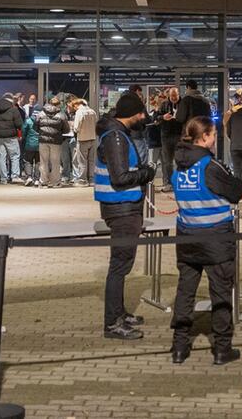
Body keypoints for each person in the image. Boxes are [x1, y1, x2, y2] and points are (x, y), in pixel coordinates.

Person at [170, 116, 242, 365]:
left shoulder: (178, 165)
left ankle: (179, 347)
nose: (215, 139)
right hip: (216, 238)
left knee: (185, 291)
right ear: (204, 138)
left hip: (187, 235)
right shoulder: (210, 166)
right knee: (221, 292)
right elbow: (236, 189)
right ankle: (222, 348)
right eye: (213, 135)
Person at [95, 92, 156, 339]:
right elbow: (119, 178)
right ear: (133, 114)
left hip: (123, 207)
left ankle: (119, 312)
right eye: (142, 113)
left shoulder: (117, 133)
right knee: (119, 266)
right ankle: (113, 323)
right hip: (121, 208)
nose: (144, 118)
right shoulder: (116, 136)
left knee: (122, 264)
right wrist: (147, 174)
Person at [35, 97, 68, 188]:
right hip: (56, 141)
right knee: (55, 162)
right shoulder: (61, 115)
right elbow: (66, 130)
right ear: (58, 105)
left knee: (43, 162)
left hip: (43, 141)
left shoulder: (41, 113)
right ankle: (55, 182)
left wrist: (42, 132)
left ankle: (44, 181)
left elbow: (35, 127)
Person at [0, 92, 23, 184]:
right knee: (14, 156)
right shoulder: (13, 110)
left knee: (1, 157)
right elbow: (19, 124)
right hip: (11, 136)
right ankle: (15, 176)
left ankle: (3, 178)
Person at [156, 88, 181, 192]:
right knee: (167, 162)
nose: (174, 98)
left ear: (178, 94)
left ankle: (180, 183)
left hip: (180, 135)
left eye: (175, 96)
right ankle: (168, 183)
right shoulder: (164, 104)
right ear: (169, 96)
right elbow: (156, 117)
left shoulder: (183, 104)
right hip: (166, 136)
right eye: (172, 96)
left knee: (180, 160)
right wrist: (163, 117)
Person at [72, 98, 99, 186]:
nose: (74, 108)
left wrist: (74, 128)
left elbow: (76, 127)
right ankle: (92, 180)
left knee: (82, 161)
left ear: (77, 105)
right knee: (92, 160)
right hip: (93, 138)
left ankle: (82, 180)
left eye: (74, 106)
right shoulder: (92, 111)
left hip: (83, 139)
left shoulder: (79, 112)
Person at [125, 85, 149, 163]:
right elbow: (145, 119)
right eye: (140, 93)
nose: (140, 95)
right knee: (141, 157)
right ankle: (140, 173)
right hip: (137, 135)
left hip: (127, 135)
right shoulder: (138, 103)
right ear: (137, 91)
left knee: (130, 157)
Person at [21, 110, 41, 186]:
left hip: (29, 144)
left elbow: (23, 131)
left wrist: (24, 139)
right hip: (39, 144)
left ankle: (29, 177)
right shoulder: (42, 121)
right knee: (38, 162)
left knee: (28, 161)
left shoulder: (28, 121)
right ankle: (37, 179)